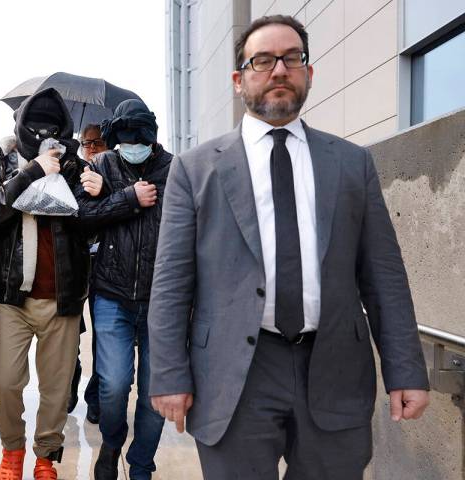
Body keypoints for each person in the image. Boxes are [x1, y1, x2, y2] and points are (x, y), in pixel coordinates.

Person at [147, 14, 430, 480]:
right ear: (240, 79)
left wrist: (406, 370)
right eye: (263, 60)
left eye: (291, 58)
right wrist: (169, 375)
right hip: (234, 376)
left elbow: (384, 276)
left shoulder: (352, 164)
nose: (279, 70)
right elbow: (172, 282)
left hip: (335, 366)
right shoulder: (195, 170)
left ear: (308, 73)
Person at [0, 87, 101, 480]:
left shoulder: (75, 164)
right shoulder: (2, 157)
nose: (43, 132)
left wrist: (96, 189)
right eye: (36, 125)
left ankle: (46, 456)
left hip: (62, 297)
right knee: (7, 384)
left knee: (57, 389)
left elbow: (89, 222)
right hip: (15, 296)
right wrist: (32, 171)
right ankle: (12, 450)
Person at [76, 100, 172, 480]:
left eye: (139, 139)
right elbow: (80, 218)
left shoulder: (174, 169)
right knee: (113, 385)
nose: (133, 146)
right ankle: (112, 443)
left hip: (162, 300)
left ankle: (142, 466)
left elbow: (184, 221)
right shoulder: (100, 165)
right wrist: (127, 197)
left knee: (155, 393)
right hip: (111, 294)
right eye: (126, 140)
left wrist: (121, 195)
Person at [68, 123, 109, 423]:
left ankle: (96, 396)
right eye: (86, 142)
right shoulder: (74, 172)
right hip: (74, 263)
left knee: (104, 338)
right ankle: (69, 383)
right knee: (68, 331)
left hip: (107, 265)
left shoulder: (118, 173)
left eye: (97, 142)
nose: (91, 147)